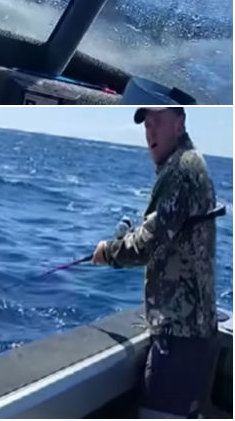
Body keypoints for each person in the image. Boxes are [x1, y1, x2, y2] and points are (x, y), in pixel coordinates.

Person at [91, 106, 217, 419]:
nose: (151, 132)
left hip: (180, 336)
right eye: (147, 125)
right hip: (193, 334)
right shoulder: (190, 163)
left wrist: (109, 252)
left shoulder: (180, 171)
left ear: (179, 123)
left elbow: (150, 241)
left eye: (158, 122)